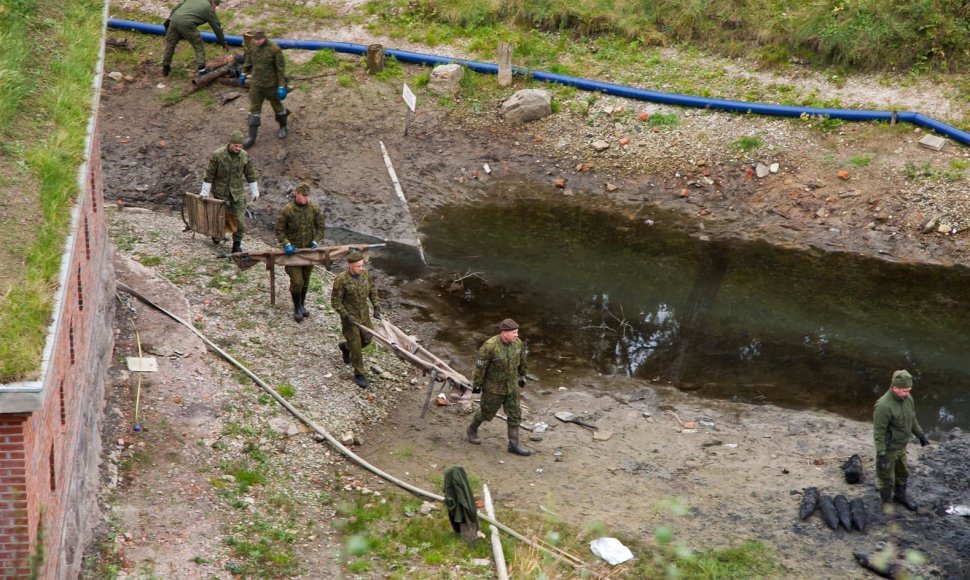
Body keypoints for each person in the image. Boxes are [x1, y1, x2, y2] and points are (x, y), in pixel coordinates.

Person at [466, 318, 531, 457]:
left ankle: (513, 445)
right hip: (494, 388)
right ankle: (472, 430)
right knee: (486, 412)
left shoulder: (518, 344)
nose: (517, 335)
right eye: (514, 332)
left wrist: (522, 376)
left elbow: (522, 362)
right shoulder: (489, 347)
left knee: (515, 414)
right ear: (504, 333)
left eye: (517, 332)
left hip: (512, 386)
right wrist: (477, 388)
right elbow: (479, 370)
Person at [873, 369, 930, 512]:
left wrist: (920, 435)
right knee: (886, 477)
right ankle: (886, 502)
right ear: (894, 387)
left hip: (902, 447)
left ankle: (900, 497)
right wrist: (881, 454)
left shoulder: (908, 399)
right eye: (903, 390)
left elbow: (912, 419)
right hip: (888, 449)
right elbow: (878, 433)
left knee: (903, 473)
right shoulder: (883, 406)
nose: (907, 393)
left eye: (909, 390)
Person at [199, 131, 259, 254]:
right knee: (220, 218)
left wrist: (255, 190)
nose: (237, 148)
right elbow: (209, 174)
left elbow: (250, 174)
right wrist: (205, 191)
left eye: (240, 146)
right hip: (221, 193)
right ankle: (217, 233)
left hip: (237, 194)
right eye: (235, 145)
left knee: (240, 221)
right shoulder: (218, 155)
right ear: (230, 143)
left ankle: (236, 245)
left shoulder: (244, 156)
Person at [330, 251, 382, 388]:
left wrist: (376, 306)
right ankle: (359, 373)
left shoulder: (365, 274)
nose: (361, 268)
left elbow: (372, 290)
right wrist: (346, 316)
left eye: (362, 265)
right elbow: (335, 302)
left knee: (367, 339)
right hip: (350, 319)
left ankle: (345, 347)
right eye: (358, 266)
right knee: (357, 347)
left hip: (364, 316)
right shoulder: (341, 280)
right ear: (350, 266)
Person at [275, 183, 325, 322]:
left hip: (308, 252)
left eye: (307, 196)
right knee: (297, 281)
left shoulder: (313, 209)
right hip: (292, 253)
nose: (305, 199)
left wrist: (315, 241)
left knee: (306, 280)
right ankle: (297, 308)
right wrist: (286, 244)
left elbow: (321, 227)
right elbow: (279, 230)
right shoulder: (287, 210)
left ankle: (302, 305)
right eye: (303, 196)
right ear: (296, 194)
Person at [238, 29, 289, 149]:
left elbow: (280, 69)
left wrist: (281, 86)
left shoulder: (274, 49)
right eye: (255, 40)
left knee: (277, 107)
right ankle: (251, 138)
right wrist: (243, 73)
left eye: (259, 40)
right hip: (256, 84)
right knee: (254, 109)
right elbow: (249, 60)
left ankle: (283, 126)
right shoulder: (252, 45)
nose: (257, 42)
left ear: (264, 38)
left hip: (271, 85)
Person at [160, 0, 229, 77]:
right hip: (187, 24)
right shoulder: (208, 9)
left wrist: (171, 19)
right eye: (216, 6)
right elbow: (217, 27)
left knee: (170, 44)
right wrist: (223, 42)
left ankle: (165, 67)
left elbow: (176, 7)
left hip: (174, 19)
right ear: (213, 2)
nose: (215, 8)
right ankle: (202, 71)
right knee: (198, 46)